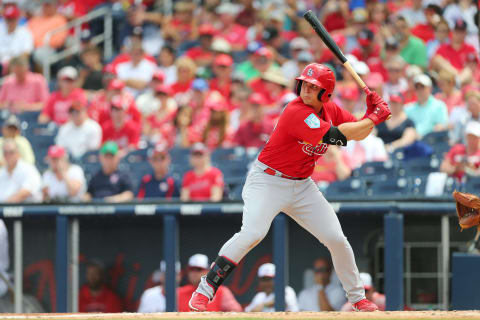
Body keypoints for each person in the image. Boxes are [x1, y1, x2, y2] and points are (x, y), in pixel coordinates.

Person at [188, 63, 391, 312]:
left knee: (336, 239)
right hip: (268, 181)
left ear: (325, 93)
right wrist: (373, 117)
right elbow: (337, 136)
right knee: (252, 233)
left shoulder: (330, 109)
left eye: (313, 86)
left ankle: (357, 298)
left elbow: (358, 133)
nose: (306, 89)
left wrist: (371, 115)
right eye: (304, 83)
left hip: (302, 185)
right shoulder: (296, 111)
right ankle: (206, 287)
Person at [177, 254, 241, 312]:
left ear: (208, 271)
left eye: (199, 269)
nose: (194, 273)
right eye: (191, 269)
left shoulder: (221, 291)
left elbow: (236, 311)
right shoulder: (178, 292)